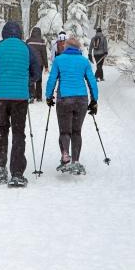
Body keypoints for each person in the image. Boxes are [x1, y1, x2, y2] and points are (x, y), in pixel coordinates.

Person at [0, 21, 40, 187]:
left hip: (0, 96)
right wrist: (27, 81)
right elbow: (37, 70)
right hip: (20, 97)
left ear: (4, 33)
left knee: (2, 128)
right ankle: (17, 173)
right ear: (20, 33)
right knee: (19, 132)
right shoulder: (27, 48)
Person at [46, 37, 98, 175]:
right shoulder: (84, 61)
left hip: (64, 99)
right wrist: (94, 100)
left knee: (64, 131)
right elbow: (91, 81)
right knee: (76, 131)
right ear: (79, 48)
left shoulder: (59, 60)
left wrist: (48, 96)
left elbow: (52, 79)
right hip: (81, 99)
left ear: (66, 47)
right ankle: (75, 161)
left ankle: (65, 156)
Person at [26, 27, 48, 103]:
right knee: (39, 79)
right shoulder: (42, 42)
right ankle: (39, 97)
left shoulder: (28, 41)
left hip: (30, 63)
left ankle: (31, 95)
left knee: (31, 79)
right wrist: (46, 66)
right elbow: (44, 54)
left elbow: (26, 52)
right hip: (39, 63)